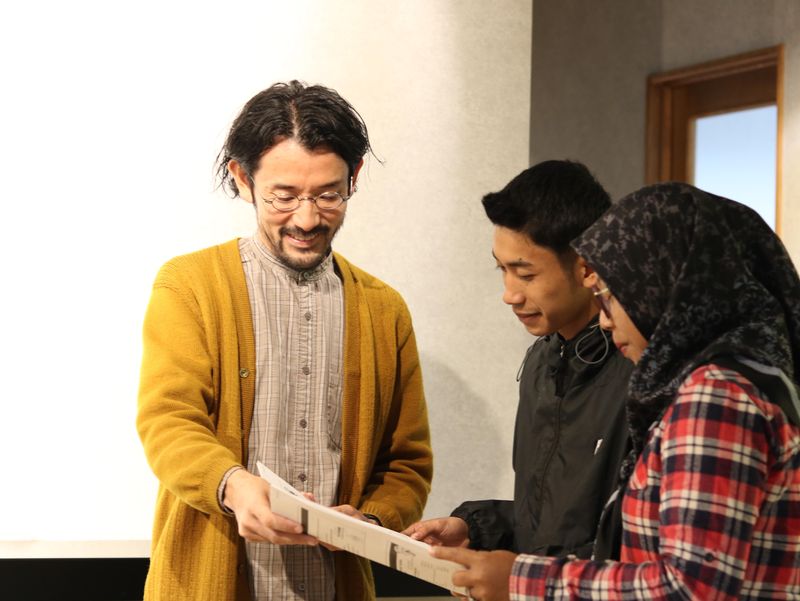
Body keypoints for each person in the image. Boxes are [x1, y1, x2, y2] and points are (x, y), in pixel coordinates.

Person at [136, 81, 433, 601]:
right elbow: (168, 421)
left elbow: (406, 463)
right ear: (243, 179)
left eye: (328, 195)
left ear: (354, 178)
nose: (307, 218)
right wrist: (232, 485)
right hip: (210, 583)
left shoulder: (384, 310)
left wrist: (369, 521)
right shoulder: (190, 286)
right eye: (285, 196)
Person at [432, 182, 800, 600]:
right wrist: (482, 529)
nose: (606, 319)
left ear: (662, 287)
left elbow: (689, 588)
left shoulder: (716, 396)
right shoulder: (703, 384)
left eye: (611, 295)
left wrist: (521, 581)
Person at [404, 161, 632, 559]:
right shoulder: (541, 363)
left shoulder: (638, 370)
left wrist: (523, 580)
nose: (509, 294)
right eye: (502, 269)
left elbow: (630, 543)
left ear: (586, 267)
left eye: (525, 275)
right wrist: (477, 529)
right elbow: (547, 523)